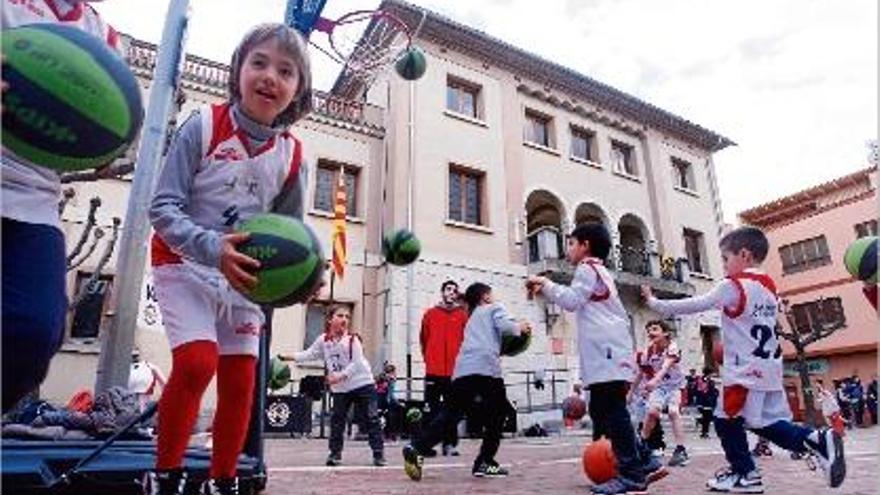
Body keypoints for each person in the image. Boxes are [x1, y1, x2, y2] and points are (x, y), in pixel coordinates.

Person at [143, 23, 316, 495]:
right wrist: (210, 249)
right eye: (258, 63)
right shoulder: (202, 124)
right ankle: (165, 473)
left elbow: (291, 236)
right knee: (197, 363)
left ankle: (224, 481)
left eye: (286, 71)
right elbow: (161, 208)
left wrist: (304, 276)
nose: (269, 77)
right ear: (238, 70)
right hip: (183, 261)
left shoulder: (292, 155)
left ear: (298, 90)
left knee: (242, 382)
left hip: (242, 276)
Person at [643, 226, 846, 492]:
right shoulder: (770, 287)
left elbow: (695, 304)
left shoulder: (734, 285)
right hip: (768, 369)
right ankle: (815, 441)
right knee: (762, 423)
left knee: (724, 420)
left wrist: (655, 302)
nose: (724, 266)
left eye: (726, 259)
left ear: (745, 255)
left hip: (744, 371)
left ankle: (747, 472)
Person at [2, 0, 121, 413]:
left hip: (34, 198)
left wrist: (105, 140)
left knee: (34, 332)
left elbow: (111, 140)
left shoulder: (103, 38)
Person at [527, 223, 666, 495]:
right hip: (609, 348)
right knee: (604, 409)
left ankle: (632, 474)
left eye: (571, 243)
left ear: (585, 245)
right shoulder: (599, 271)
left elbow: (571, 300)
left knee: (612, 409)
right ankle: (645, 460)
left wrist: (546, 283)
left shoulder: (587, 268)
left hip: (607, 350)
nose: (567, 248)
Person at [402, 282, 532, 481]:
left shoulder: (470, 318)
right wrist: (520, 327)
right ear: (486, 297)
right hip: (486, 370)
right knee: (499, 414)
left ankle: (418, 447)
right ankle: (485, 461)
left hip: (462, 371)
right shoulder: (493, 308)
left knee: (450, 414)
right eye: (492, 294)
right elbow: (506, 326)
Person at [281, 305, 385, 467]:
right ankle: (335, 454)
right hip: (341, 389)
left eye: (347, 317)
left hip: (363, 383)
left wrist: (339, 376)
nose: (345, 320)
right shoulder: (324, 340)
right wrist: (289, 357)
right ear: (330, 319)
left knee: (371, 418)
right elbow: (309, 354)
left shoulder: (353, 340)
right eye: (340, 316)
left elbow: (356, 364)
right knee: (337, 420)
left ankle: (378, 454)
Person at [630, 320, 690, 467]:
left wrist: (654, 381)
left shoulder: (672, 347)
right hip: (659, 387)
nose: (651, 332)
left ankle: (681, 450)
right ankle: (642, 444)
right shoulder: (647, 353)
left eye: (655, 329)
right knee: (651, 412)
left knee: (673, 412)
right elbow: (640, 374)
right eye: (649, 330)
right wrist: (630, 393)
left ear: (665, 333)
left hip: (675, 387)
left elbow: (665, 367)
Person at [419, 280, 468, 456]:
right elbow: (424, 339)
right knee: (431, 410)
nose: (451, 293)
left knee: (452, 410)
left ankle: (450, 444)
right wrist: (430, 359)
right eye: (448, 289)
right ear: (442, 292)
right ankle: (427, 445)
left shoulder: (462, 315)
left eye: (454, 290)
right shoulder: (430, 314)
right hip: (434, 370)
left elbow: (466, 341)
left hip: (455, 373)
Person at [376, 362, 402, 440]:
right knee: (392, 416)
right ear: (392, 371)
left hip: (379, 400)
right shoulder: (391, 379)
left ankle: (384, 434)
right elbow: (390, 394)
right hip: (386, 401)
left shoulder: (381, 377)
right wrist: (398, 403)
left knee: (383, 417)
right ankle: (392, 434)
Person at [694, 370, 719, 439]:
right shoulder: (705, 381)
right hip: (705, 402)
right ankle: (704, 432)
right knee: (707, 418)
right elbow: (708, 391)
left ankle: (702, 428)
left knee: (707, 418)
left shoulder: (704, 381)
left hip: (706, 402)